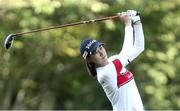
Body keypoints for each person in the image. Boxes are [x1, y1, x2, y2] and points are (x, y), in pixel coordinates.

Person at [80, 10, 145, 111]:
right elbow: (126, 51)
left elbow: (138, 47)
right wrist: (127, 24)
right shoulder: (104, 74)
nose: (101, 53)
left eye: (100, 48)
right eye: (95, 52)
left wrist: (136, 21)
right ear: (89, 59)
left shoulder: (114, 60)